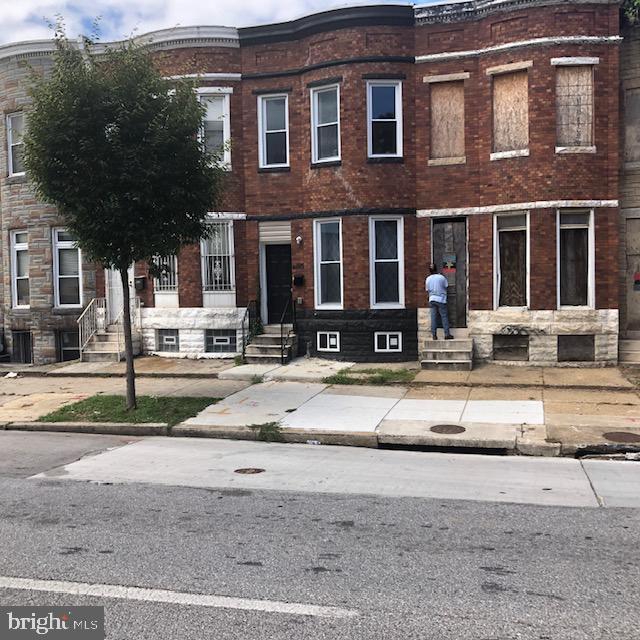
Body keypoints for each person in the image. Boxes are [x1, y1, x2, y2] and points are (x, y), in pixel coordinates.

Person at [425, 263, 453, 340]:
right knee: (444, 316)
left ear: (430, 271)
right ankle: (447, 334)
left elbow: (427, 290)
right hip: (441, 299)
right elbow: (446, 286)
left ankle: (434, 335)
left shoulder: (428, 279)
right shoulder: (441, 277)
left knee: (433, 317)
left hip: (432, 299)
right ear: (437, 269)